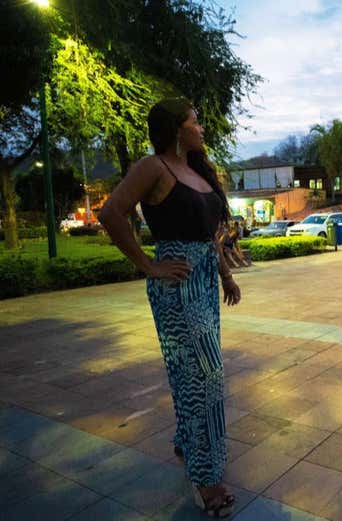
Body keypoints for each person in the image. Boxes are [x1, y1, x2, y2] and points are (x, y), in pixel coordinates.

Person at [99, 98, 239, 518]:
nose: (201, 128)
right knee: (204, 375)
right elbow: (111, 213)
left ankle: (187, 438)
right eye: (195, 121)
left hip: (203, 285)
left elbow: (207, 234)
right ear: (177, 129)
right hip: (175, 284)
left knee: (190, 370)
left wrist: (225, 275)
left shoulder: (195, 170)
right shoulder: (152, 166)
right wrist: (148, 264)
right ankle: (206, 478)